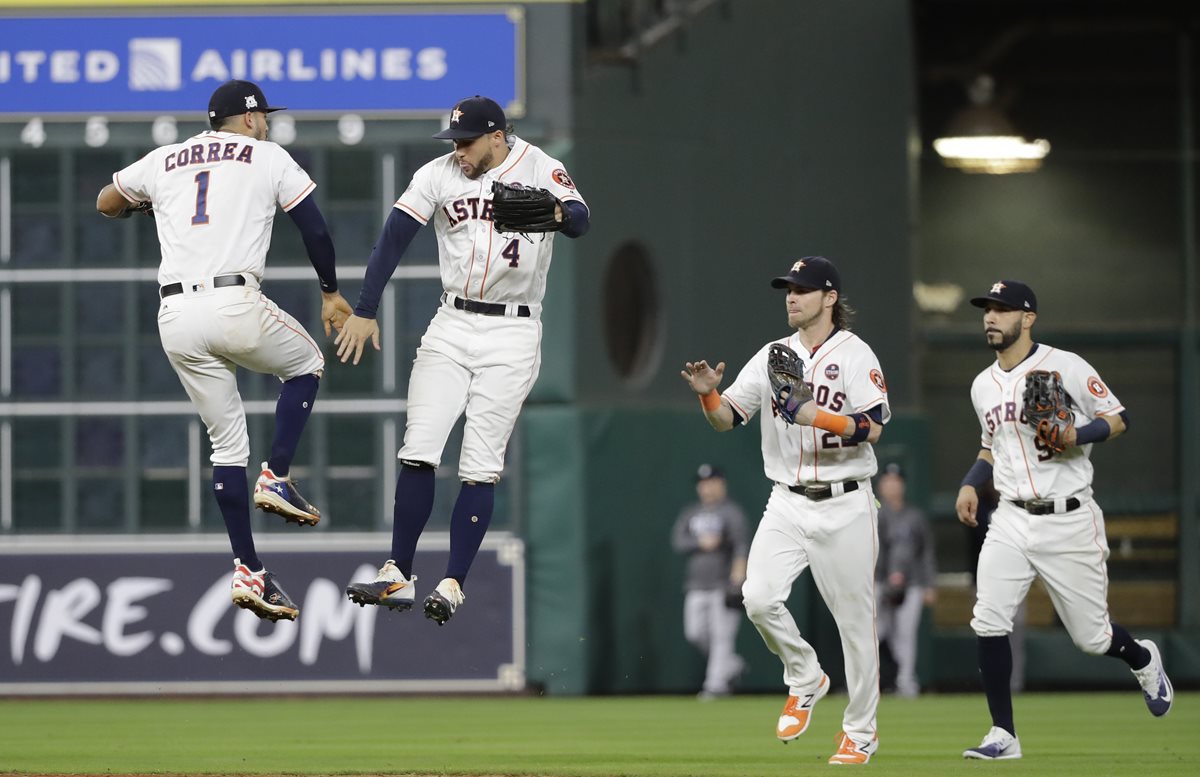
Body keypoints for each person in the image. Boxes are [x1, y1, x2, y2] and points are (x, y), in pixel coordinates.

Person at [96, 79, 353, 622]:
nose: (268, 124)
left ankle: (248, 569)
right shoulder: (265, 155)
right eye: (265, 116)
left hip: (175, 317)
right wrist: (330, 290)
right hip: (233, 301)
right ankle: (277, 474)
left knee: (225, 446)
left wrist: (140, 206)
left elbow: (106, 201)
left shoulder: (165, 159)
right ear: (251, 118)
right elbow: (314, 228)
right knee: (306, 364)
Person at [336, 95, 590, 625]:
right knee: (418, 449)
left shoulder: (542, 166)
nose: (459, 150)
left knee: (479, 466)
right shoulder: (438, 175)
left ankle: (453, 582)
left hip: (514, 330)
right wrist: (364, 308)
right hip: (451, 322)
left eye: (467, 141)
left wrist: (558, 211)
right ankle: (397, 573)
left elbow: (582, 219)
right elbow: (393, 239)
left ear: (497, 136)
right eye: (453, 140)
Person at [681, 256, 889, 765]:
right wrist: (709, 396)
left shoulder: (856, 354)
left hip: (846, 500)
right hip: (788, 499)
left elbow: (875, 426)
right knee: (756, 598)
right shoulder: (774, 354)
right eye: (787, 289)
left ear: (829, 298)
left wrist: (817, 416)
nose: (791, 297)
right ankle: (805, 675)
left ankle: (861, 733)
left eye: (802, 289)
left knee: (855, 625)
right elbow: (730, 419)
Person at [955, 280, 1173, 760]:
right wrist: (972, 482)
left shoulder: (1065, 365)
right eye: (986, 309)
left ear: (1027, 318)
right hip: (1010, 517)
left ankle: (1141, 658)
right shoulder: (981, 385)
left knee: (1092, 638)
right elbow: (990, 447)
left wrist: (1076, 431)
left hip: (1068, 518)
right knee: (988, 618)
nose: (990, 317)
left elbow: (1118, 418)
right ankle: (1003, 735)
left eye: (1002, 309)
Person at [671, 463, 750, 700]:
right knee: (695, 633)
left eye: (711, 482)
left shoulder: (731, 512)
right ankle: (732, 665)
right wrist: (700, 542)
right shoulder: (691, 512)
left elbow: (741, 547)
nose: (706, 488)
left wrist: (738, 577)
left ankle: (715, 685)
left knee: (721, 636)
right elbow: (678, 541)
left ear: (721, 483)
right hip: (696, 585)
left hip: (722, 584)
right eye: (703, 483)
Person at [874, 462, 936, 698]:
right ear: (881, 485)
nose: (891, 486)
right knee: (873, 633)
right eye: (887, 481)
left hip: (911, 585)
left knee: (905, 636)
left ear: (903, 485)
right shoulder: (873, 513)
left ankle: (906, 683)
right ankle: (866, 685)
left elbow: (926, 552)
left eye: (896, 481)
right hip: (878, 582)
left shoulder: (915, 517)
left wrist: (929, 584)